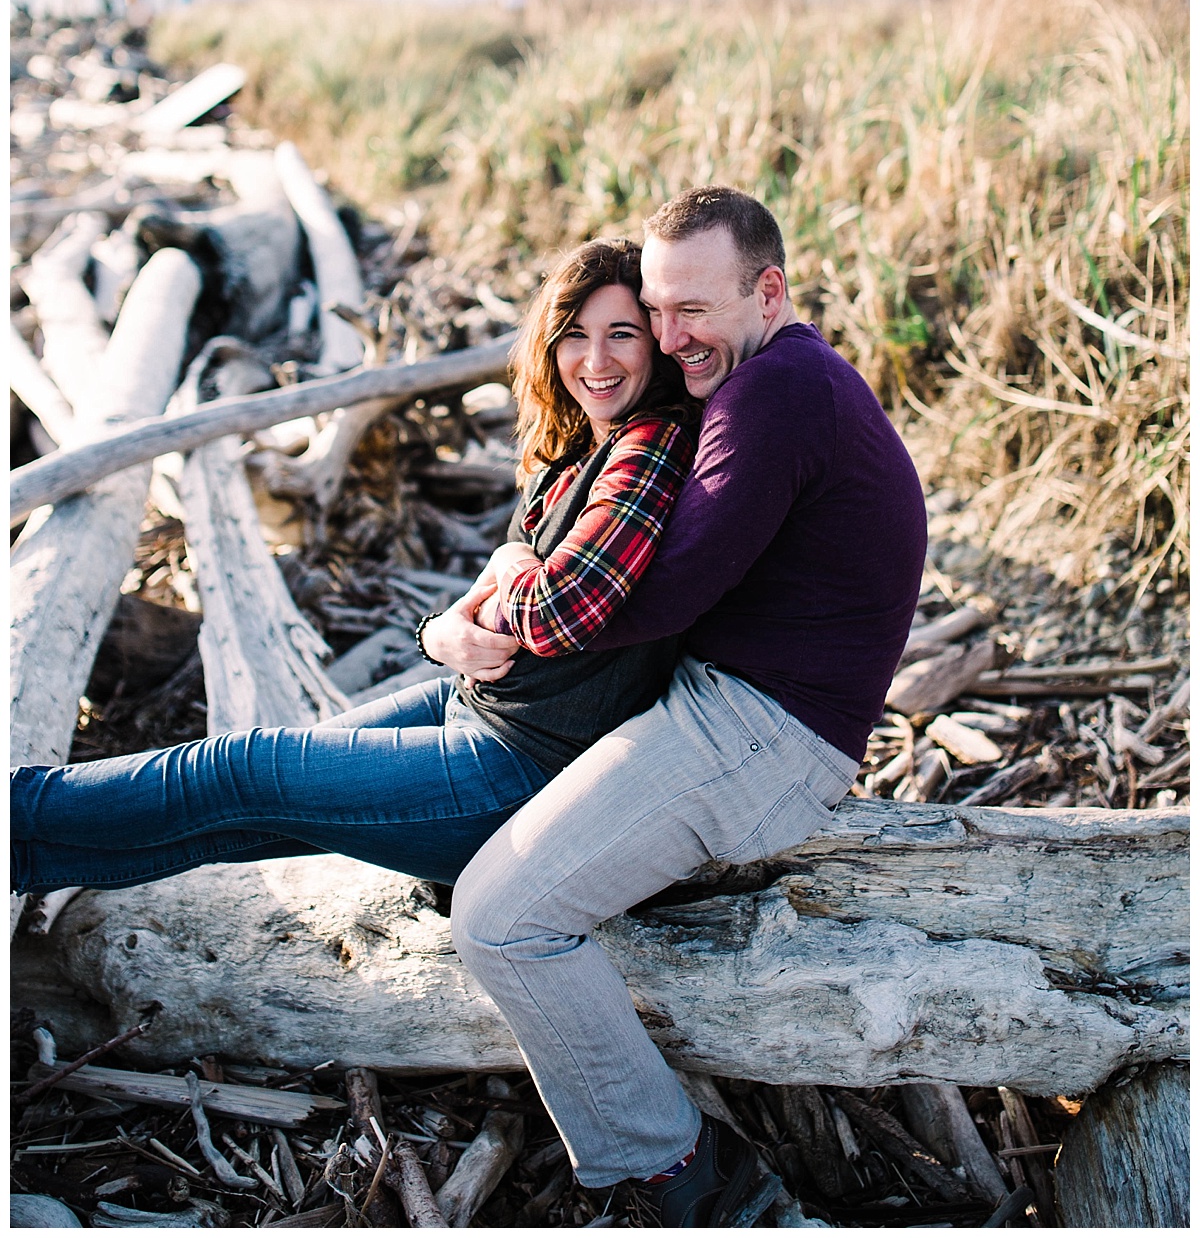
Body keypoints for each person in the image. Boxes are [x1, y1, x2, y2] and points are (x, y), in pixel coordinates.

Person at [428, 186, 928, 1227]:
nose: (666, 337)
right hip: (739, 711)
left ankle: (682, 1172)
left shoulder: (775, 395)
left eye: (689, 309)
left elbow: (654, 593)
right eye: (655, 309)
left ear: (768, 290)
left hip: (758, 735)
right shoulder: (789, 374)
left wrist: (499, 602)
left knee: (502, 919)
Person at [11, 240, 698, 899]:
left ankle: (15, 804)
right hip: (477, 707)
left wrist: (509, 563)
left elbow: (562, 608)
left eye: (622, 334)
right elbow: (484, 604)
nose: (595, 358)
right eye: (575, 334)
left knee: (238, 772)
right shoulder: (583, 441)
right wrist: (440, 632)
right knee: (237, 816)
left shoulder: (652, 442)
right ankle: (19, 859)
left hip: (527, 771)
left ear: (657, 344)